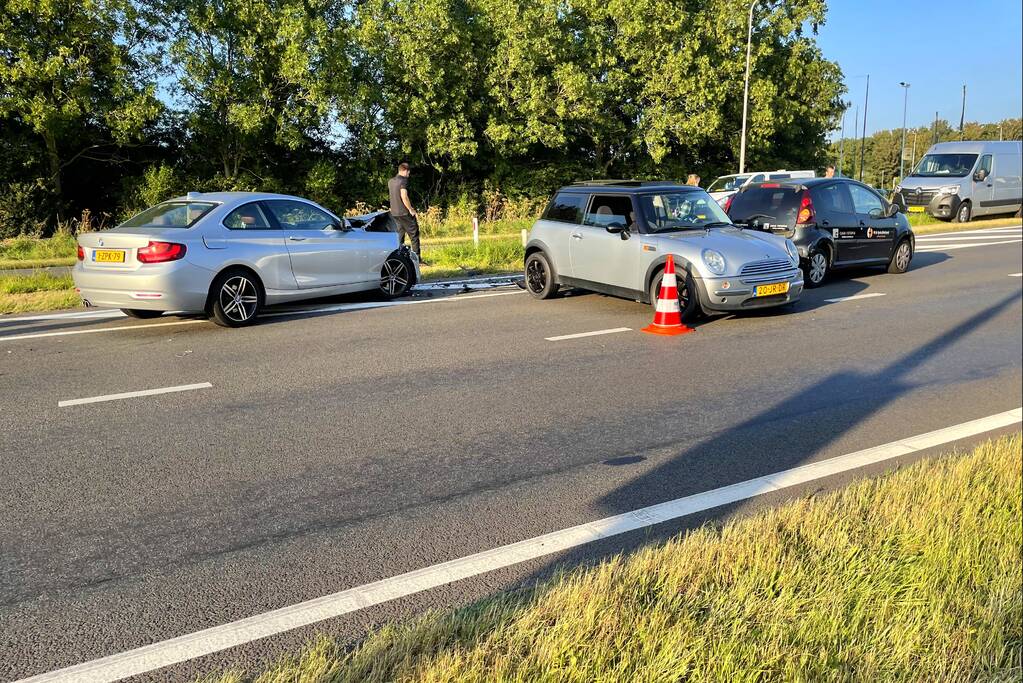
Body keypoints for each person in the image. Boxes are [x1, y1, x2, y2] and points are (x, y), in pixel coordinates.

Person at [388, 162, 421, 260]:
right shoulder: (403, 180)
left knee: (400, 237)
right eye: (408, 173)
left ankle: (399, 258)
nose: (408, 175)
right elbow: (404, 196)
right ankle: (416, 258)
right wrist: (411, 209)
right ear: (405, 171)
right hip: (404, 212)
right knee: (414, 234)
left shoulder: (391, 181)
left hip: (394, 213)